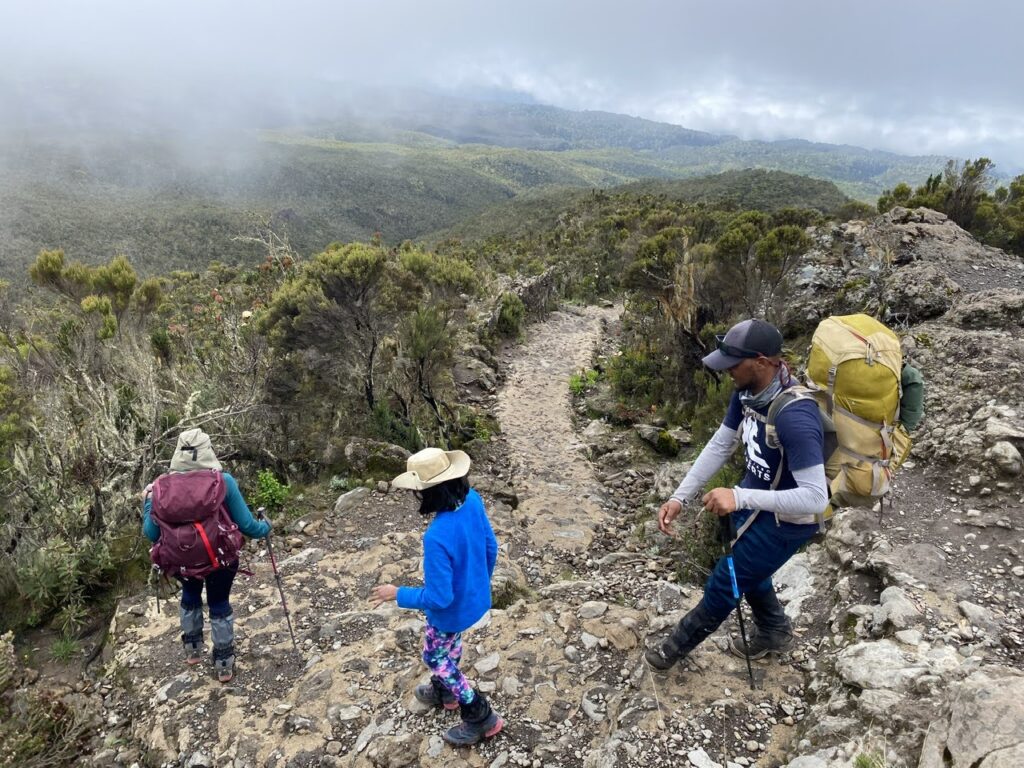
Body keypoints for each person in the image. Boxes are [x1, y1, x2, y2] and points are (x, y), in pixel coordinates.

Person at [645, 319, 829, 670]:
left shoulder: (796, 416)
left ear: (761, 362)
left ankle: (672, 650)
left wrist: (739, 498)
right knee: (749, 573)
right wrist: (679, 497)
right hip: (753, 501)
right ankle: (775, 632)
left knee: (724, 581)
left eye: (733, 363)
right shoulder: (746, 395)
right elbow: (720, 444)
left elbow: (815, 498)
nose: (727, 370)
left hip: (786, 522)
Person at [370, 447, 503, 746]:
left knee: (434, 655)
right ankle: (445, 692)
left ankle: (480, 715)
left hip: (450, 612)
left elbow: (439, 598)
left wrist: (397, 593)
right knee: (448, 645)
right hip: (475, 601)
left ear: (427, 493)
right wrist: (477, 583)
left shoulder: (437, 536)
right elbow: (490, 548)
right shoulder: (473, 501)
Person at [142, 428, 271, 683]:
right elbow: (247, 526)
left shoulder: (160, 488)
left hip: (181, 560)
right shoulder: (223, 482)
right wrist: (266, 526)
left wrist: (147, 502)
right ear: (208, 451)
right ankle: (223, 662)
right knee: (219, 602)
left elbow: (150, 533)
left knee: (190, 595)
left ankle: (192, 651)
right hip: (220, 558)